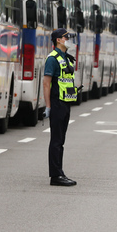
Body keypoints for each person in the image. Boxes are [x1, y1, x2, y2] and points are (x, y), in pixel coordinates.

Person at [43, 28, 78, 187]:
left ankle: (60, 172)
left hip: (65, 103)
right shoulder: (52, 59)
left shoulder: (67, 58)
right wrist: (48, 106)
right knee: (56, 141)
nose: (69, 39)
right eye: (66, 37)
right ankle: (56, 175)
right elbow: (46, 83)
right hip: (57, 104)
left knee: (61, 140)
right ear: (58, 39)